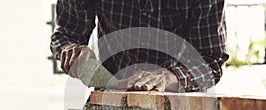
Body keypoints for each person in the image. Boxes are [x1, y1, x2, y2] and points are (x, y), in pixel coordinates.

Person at [51, 0, 229, 92]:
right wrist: (71, 51)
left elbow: (210, 61)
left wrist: (168, 77)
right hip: (110, 105)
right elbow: (67, 35)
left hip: (179, 108)